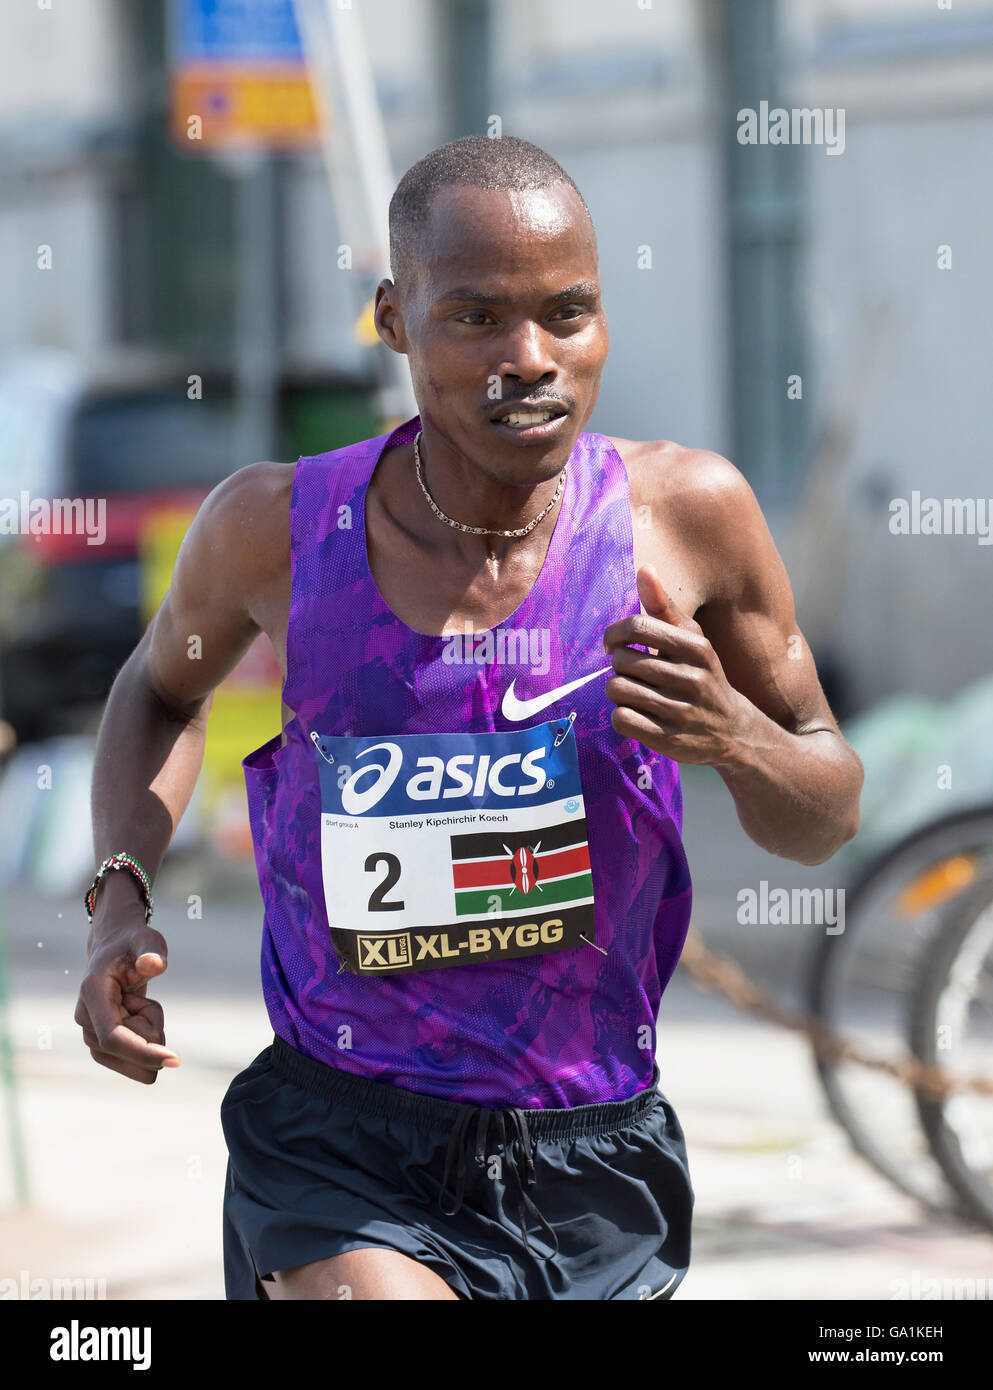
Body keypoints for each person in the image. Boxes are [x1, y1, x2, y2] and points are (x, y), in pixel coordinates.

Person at [75, 135, 863, 1301]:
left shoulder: (685, 517)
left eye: (568, 313)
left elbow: (825, 815)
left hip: (591, 1148)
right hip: (342, 1139)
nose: (530, 358)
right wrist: (117, 902)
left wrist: (734, 739)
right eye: (478, 317)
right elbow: (158, 689)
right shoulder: (274, 530)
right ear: (396, 319)